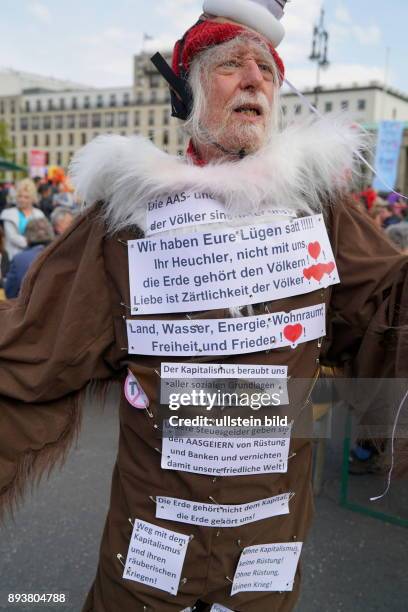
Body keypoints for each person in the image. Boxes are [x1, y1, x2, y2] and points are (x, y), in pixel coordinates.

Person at [0, 2, 407, 611]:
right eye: (231, 65)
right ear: (188, 92)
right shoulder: (129, 219)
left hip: (268, 549)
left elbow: (387, 311)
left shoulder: (321, 214)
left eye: (266, 69)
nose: (254, 78)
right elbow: (33, 348)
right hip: (150, 549)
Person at [4, 218, 54, 299]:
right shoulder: (62, 255)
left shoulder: (19, 259)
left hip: (27, 308)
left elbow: (10, 292)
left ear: (26, 238)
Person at [0, 178, 45, 259]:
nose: (22, 200)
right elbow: (13, 237)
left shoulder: (39, 214)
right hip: (14, 257)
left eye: (26, 197)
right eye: (20, 196)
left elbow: (42, 235)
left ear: (32, 198)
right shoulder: (9, 214)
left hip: (35, 257)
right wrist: (33, 241)